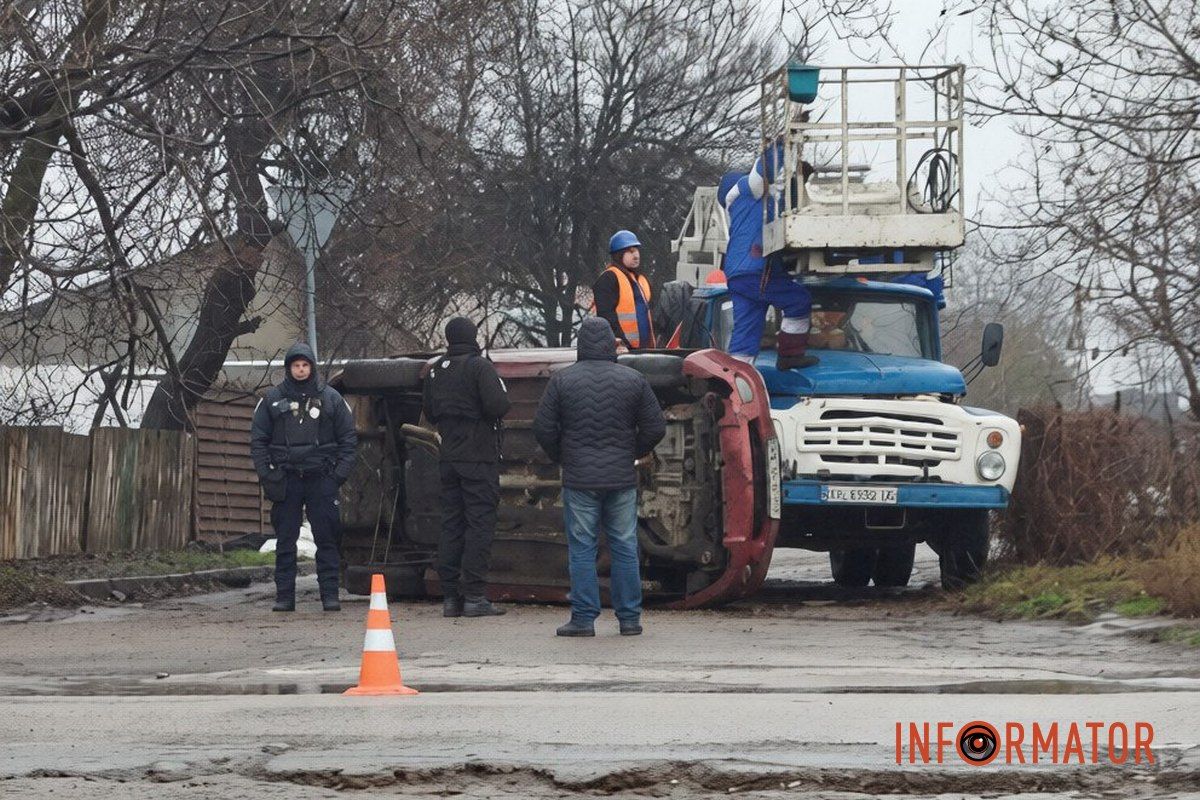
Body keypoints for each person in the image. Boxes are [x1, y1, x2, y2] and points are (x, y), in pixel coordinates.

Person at [533, 317, 666, 637]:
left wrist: (562, 456)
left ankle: (583, 619)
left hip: (580, 479)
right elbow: (655, 427)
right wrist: (631, 451)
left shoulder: (562, 381)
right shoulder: (633, 379)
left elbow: (543, 427)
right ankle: (630, 619)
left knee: (582, 548)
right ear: (611, 344)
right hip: (620, 478)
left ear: (581, 344)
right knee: (624, 545)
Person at [251, 342, 358, 612]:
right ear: (289, 368)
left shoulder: (331, 399)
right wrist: (268, 476)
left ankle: (330, 596)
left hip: (321, 478)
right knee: (285, 541)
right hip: (286, 478)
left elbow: (348, 441)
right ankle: (284, 597)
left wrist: (337, 477)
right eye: (296, 365)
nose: (300, 370)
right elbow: (258, 441)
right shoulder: (272, 400)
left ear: (312, 367)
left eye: (305, 365)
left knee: (327, 538)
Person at [422, 317, 512, 618]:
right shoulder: (479, 367)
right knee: (479, 524)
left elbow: (430, 411)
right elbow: (499, 405)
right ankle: (474, 595)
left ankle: (450, 597)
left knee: (451, 524)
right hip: (479, 458)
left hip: (449, 457)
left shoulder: (436, 370)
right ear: (472, 337)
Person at [719, 144, 818, 370]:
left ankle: (737, 378)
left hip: (739, 275)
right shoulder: (744, 191)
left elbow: (784, 209)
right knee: (798, 300)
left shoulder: (753, 207)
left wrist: (798, 181)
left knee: (746, 330)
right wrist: (781, 145)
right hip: (756, 269)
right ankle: (790, 355)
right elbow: (762, 171)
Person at [592, 229, 656, 351]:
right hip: (622, 351)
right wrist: (621, 344)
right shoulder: (609, 278)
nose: (636, 255)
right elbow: (606, 317)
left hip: (645, 350)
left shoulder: (640, 280)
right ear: (619, 254)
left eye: (636, 250)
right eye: (630, 251)